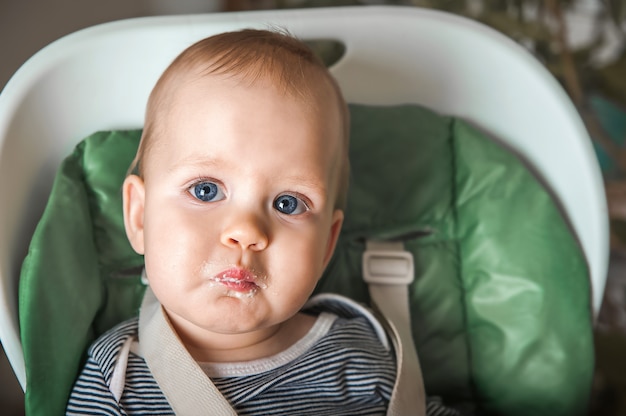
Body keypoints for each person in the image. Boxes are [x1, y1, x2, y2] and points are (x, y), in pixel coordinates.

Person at [66, 28, 461, 416]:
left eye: (288, 203)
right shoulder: (116, 378)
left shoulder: (360, 357)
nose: (247, 232)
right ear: (139, 216)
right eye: (206, 190)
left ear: (326, 245)